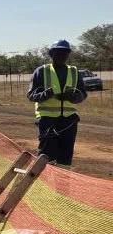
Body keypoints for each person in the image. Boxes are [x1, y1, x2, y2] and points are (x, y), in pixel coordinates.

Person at [26, 39, 87, 169]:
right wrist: (45, 95)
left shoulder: (74, 71)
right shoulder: (41, 71)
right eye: (58, 52)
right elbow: (31, 95)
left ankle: (62, 188)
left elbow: (82, 95)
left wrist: (72, 97)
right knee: (47, 155)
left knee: (65, 157)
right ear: (51, 54)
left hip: (69, 121)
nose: (62, 55)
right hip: (47, 120)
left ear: (68, 54)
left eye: (65, 53)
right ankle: (44, 186)